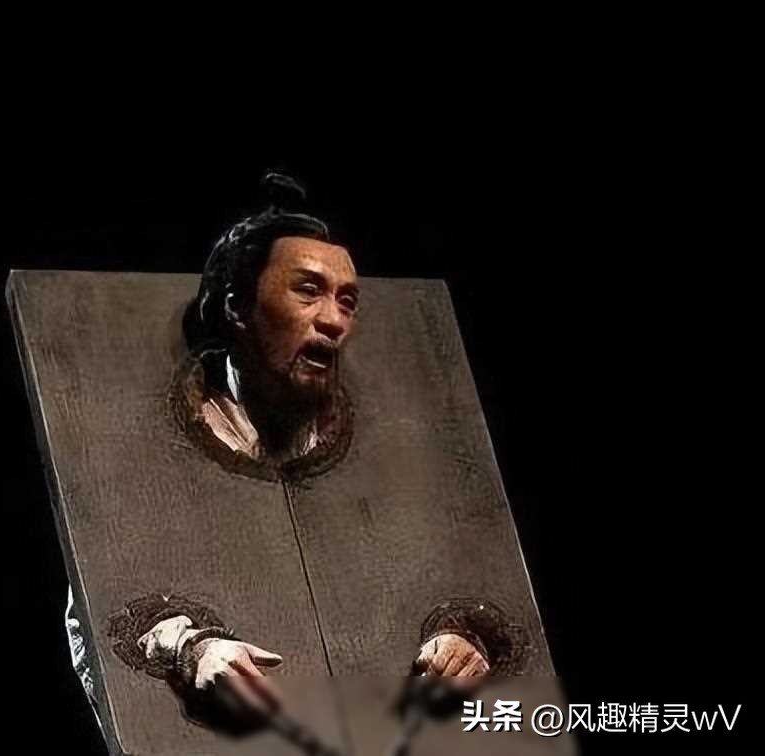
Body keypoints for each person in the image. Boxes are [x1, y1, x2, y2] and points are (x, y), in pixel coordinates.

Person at [66, 173, 491, 732]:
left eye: (347, 301)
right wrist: (193, 649)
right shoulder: (135, 460)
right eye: (308, 291)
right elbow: (108, 605)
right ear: (238, 305)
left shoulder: (395, 465)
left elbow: (451, 570)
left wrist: (463, 638)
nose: (334, 320)